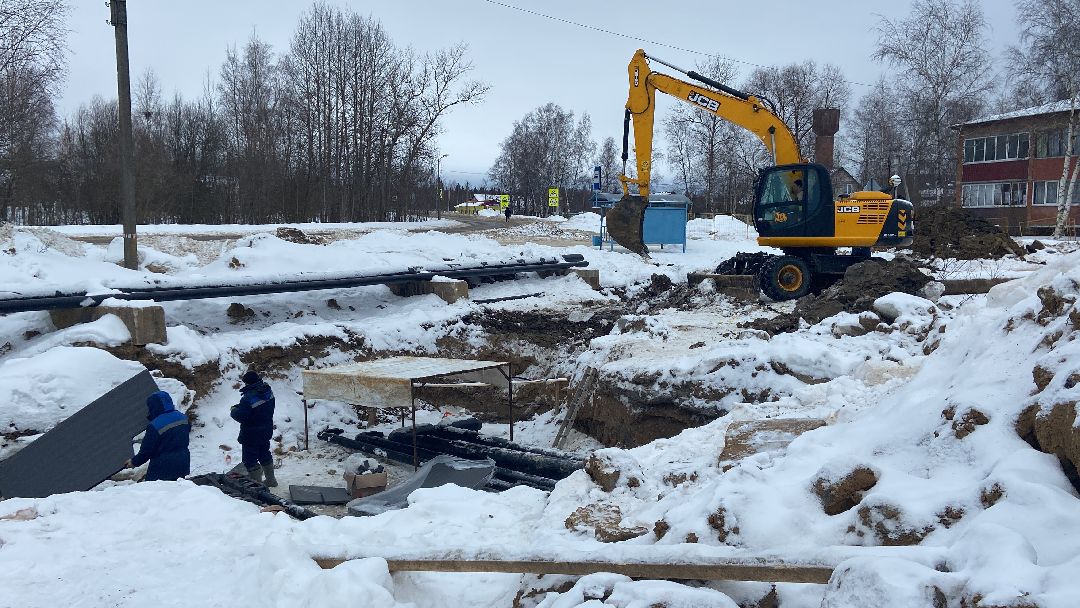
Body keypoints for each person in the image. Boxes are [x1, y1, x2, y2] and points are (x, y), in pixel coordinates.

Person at [126, 391, 190, 481]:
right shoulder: (183, 418)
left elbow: (147, 451)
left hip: (162, 468)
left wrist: (134, 462)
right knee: (176, 491)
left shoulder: (155, 425)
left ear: (154, 406)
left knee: (156, 493)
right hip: (183, 464)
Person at [230, 370, 277, 487]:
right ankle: (271, 480)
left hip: (251, 435)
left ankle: (258, 486)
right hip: (266, 430)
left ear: (248, 383)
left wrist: (233, 410)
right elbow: (259, 409)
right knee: (264, 454)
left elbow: (242, 416)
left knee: (250, 460)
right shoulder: (267, 391)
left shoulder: (248, 398)